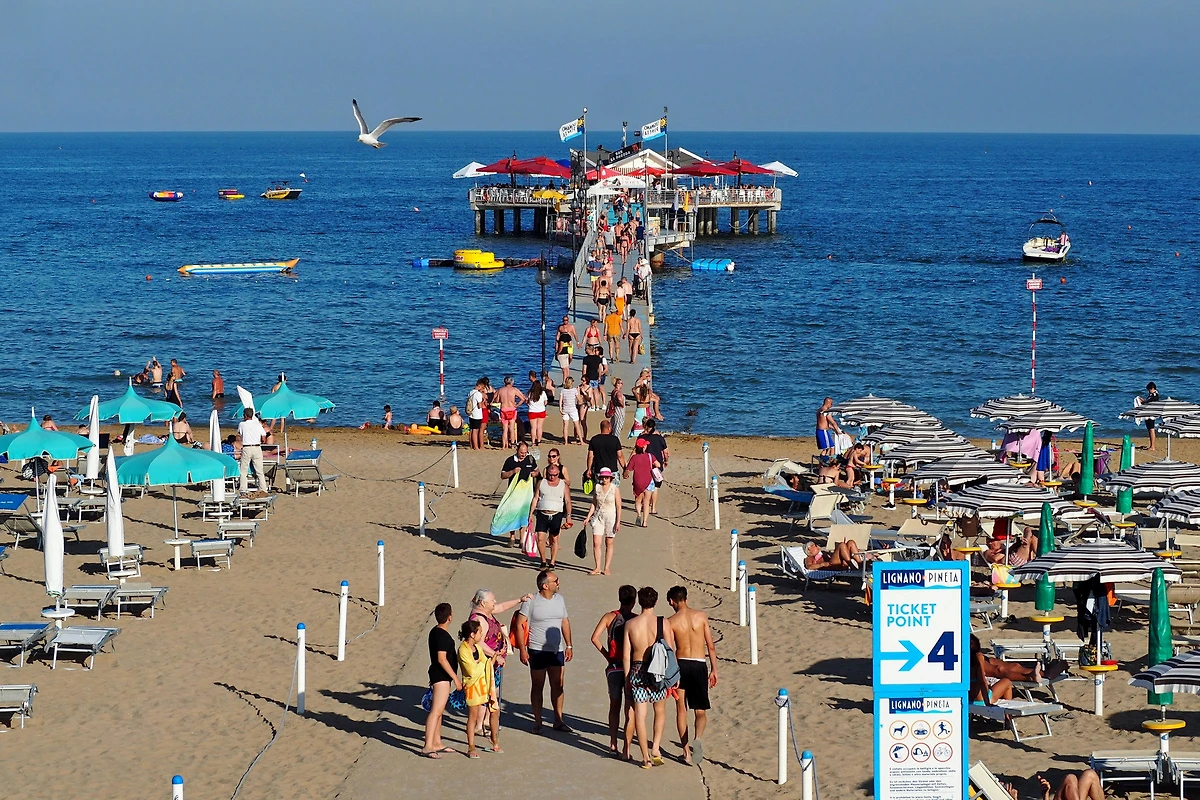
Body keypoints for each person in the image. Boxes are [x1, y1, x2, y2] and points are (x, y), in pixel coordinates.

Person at [623, 586, 676, 768]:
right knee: (659, 710)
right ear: (656, 601)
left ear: (639, 602)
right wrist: (674, 676)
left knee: (640, 715)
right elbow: (670, 651)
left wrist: (627, 678)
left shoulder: (631, 624)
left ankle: (645, 757)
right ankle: (656, 748)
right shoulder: (663, 623)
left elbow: (626, 655)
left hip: (637, 670)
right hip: (657, 671)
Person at [514, 569, 573, 733]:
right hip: (537, 650)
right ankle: (538, 722)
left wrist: (569, 645)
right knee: (537, 685)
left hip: (557, 650)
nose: (558, 583)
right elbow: (519, 624)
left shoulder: (560, 599)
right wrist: (522, 649)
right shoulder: (531, 601)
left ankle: (558, 720)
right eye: (556, 581)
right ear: (545, 585)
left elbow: (565, 622)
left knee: (558, 685)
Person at [666, 585, 718, 766]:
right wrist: (714, 669)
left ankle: (686, 752)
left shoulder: (671, 621)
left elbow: (670, 650)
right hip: (699, 663)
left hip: (681, 664)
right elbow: (711, 646)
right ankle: (698, 738)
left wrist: (671, 674)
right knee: (700, 710)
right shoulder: (701, 616)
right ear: (686, 598)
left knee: (681, 709)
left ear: (672, 601)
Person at [468, 588, 531, 727]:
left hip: (493, 662)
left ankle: (486, 720)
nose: (495, 602)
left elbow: (501, 607)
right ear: (483, 603)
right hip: (485, 662)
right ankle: (479, 724)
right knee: (485, 693)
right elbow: (479, 643)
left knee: (493, 690)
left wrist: (520, 600)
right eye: (492, 600)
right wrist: (496, 656)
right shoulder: (479, 619)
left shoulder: (486, 611)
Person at [589, 584, 638, 758]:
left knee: (614, 706)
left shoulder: (609, 617)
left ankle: (612, 744)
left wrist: (607, 656)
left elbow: (594, 638)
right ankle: (627, 749)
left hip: (614, 667)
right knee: (630, 709)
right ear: (634, 601)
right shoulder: (636, 620)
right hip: (631, 667)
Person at [422, 602, 461, 758]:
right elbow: (442, 658)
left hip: (438, 676)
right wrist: (456, 678)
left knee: (438, 711)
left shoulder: (434, 631)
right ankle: (427, 746)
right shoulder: (443, 636)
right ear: (450, 617)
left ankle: (437, 742)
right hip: (441, 677)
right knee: (436, 711)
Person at [457, 620, 499, 758]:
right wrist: (483, 664)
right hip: (472, 687)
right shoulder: (463, 650)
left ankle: (495, 742)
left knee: (494, 710)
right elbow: (472, 671)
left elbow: (486, 664)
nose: (482, 635)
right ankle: (471, 747)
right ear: (472, 634)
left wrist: (494, 657)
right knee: (473, 717)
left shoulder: (478, 648)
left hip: (484, 685)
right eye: (480, 632)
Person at [527, 459, 572, 567]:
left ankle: (552, 562)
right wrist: (530, 514)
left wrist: (569, 516)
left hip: (556, 514)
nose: (552, 477)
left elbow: (568, 501)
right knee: (540, 538)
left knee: (554, 539)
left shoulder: (563, 485)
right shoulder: (541, 483)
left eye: (555, 475)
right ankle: (543, 561)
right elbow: (535, 498)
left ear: (558, 474)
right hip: (542, 514)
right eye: (550, 475)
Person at [495, 442, 539, 548]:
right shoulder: (510, 460)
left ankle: (522, 539)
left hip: (526, 492)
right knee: (512, 514)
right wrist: (512, 471)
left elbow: (537, 471)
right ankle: (512, 537)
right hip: (513, 492)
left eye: (525, 452)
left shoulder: (530, 459)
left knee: (523, 514)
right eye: (521, 452)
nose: (523, 455)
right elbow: (503, 475)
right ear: (517, 450)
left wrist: (534, 474)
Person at [581, 467, 622, 575]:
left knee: (609, 542)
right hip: (598, 517)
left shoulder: (614, 489)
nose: (605, 479)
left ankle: (607, 567)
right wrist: (588, 517)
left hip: (611, 517)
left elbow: (618, 507)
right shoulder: (597, 487)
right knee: (596, 543)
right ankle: (597, 567)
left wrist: (618, 522)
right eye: (603, 477)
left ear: (610, 478)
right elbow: (594, 504)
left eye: (607, 477)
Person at [624, 439, 661, 527]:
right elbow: (658, 465)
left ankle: (639, 514)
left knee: (638, 500)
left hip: (638, 481)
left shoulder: (634, 458)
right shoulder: (650, 456)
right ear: (644, 447)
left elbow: (628, 470)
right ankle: (644, 522)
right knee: (646, 502)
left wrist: (625, 475)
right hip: (649, 481)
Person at [970, 633, 1014, 705]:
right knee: (1007, 682)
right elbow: (982, 681)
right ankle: (1007, 709)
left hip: (966, 698)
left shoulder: (961, 658)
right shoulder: (978, 657)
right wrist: (987, 703)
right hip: (980, 699)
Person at [237, 408, 269, 494]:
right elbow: (264, 437)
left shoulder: (242, 424)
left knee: (243, 470)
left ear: (245, 415)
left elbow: (240, 433)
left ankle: (243, 489)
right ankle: (263, 489)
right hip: (257, 447)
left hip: (247, 447)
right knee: (259, 471)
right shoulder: (258, 424)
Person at [586, 419, 625, 484]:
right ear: (609, 428)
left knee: (600, 489)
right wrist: (624, 468)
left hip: (599, 470)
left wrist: (589, 469)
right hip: (612, 471)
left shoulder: (594, 439)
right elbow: (620, 456)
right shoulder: (615, 439)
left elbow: (590, 456)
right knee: (613, 489)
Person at [496, 375, 527, 449]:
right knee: (512, 428)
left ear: (504, 382)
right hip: (512, 409)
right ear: (512, 382)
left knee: (505, 429)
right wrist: (517, 405)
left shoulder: (500, 390)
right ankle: (512, 444)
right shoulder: (514, 390)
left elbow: (497, 400)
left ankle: (504, 445)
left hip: (504, 409)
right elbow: (523, 398)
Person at [580, 345, 606, 412]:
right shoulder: (597, 358)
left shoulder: (586, 359)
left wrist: (583, 377)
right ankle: (597, 406)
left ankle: (592, 406)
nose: (585, 350)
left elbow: (584, 369)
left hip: (589, 377)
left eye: (586, 349)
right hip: (596, 377)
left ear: (589, 350)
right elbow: (600, 368)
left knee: (590, 392)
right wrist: (599, 376)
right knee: (596, 391)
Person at [559, 377, 584, 446]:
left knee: (565, 426)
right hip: (573, 410)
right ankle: (581, 441)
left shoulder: (563, 390)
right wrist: (578, 392)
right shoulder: (574, 390)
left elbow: (560, 401)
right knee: (577, 425)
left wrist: (560, 408)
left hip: (565, 409)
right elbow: (580, 400)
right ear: (571, 383)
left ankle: (566, 442)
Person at [527, 380, 548, 446]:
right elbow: (545, 402)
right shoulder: (543, 393)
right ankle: (539, 441)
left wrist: (530, 405)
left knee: (533, 428)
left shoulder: (530, 393)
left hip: (532, 411)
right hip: (541, 411)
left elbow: (527, 402)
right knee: (539, 427)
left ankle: (533, 442)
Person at [467, 378, 486, 450]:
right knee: (475, 430)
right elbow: (479, 406)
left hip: (471, 413)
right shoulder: (478, 394)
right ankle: (476, 446)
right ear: (480, 386)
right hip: (477, 414)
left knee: (472, 430)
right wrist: (483, 401)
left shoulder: (471, 392)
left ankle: (472, 445)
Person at [1143, 381, 1160, 450]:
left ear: (1152, 389)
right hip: (1148, 413)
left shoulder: (1155, 395)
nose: (1149, 391)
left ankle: (1153, 446)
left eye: (1149, 390)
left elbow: (1149, 401)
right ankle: (1151, 445)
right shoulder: (1151, 395)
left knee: (1151, 429)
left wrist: (1143, 401)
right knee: (1149, 429)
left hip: (1151, 414)